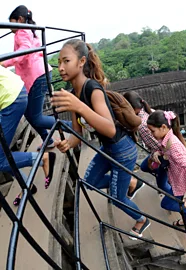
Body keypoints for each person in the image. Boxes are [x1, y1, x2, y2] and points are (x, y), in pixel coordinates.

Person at [51, 39, 148, 239]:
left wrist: (78, 106)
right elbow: (78, 131)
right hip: (109, 149)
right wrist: (67, 143)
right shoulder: (74, 94)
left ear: (81, 62)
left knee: (116, 198)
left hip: (122, 149)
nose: (61, 68)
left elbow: (110, 129)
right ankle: (130, 183)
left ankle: (141, 220)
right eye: (59, 62)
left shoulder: (92, 89)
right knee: (89, 182)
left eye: (66, 61)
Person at [3, 5, 71, 150]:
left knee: (36, 117)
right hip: (40, 74)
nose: (10, 28)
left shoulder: (21, 31)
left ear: (19, 19)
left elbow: (24, 51)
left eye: (12, 23)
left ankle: (73, 128)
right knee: (29, 113)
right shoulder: (30, 30)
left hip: (37, 76)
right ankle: (48, 139)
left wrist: (5, 62)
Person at [0, 66, 56, 206]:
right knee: (2, 153)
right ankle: (27, 185)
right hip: (15, 92)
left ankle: (43, 158)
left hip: (10, 99)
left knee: (0, 159)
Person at [146, 110, 186, 226]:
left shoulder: (174, 145)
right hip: (177, 180)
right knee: (177, 202)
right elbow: (164, 151)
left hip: (183, 183)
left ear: (163, 127)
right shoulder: (166, 139)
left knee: (167, 204)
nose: (152, 134)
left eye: (153, 131)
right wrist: (158, 153)